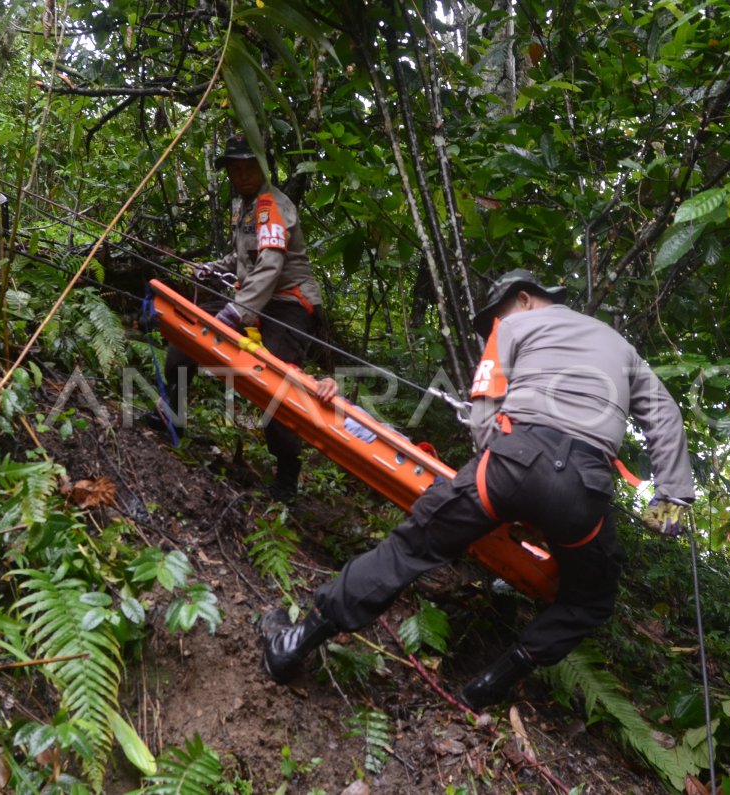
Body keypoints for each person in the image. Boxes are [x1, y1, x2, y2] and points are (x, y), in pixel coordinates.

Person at [261, 268, 696, 710]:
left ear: (525, 299)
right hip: (585, 489)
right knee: (593, 600)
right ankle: (489, 685)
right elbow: (665, 417)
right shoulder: (621, 348)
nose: (492, 326)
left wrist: (506, 474)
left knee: (410, 547)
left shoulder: (513, 325)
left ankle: (294, 643)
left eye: (496, 315)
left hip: (511, 461)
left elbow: (485, 409)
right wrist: (672, 498)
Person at [145, 133, 335, 503]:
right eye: (236, 167)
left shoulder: (271, 207)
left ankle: (287, 475)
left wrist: (237, 312)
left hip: (288, 306)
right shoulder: (244, 207)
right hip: (253, 298)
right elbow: (244, 260)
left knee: (276, 387)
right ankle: (173, 415)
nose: (243, 174)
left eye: (250, 166)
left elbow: (270, 266)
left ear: (262, 168)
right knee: (187, 335)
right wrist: (210, 268)